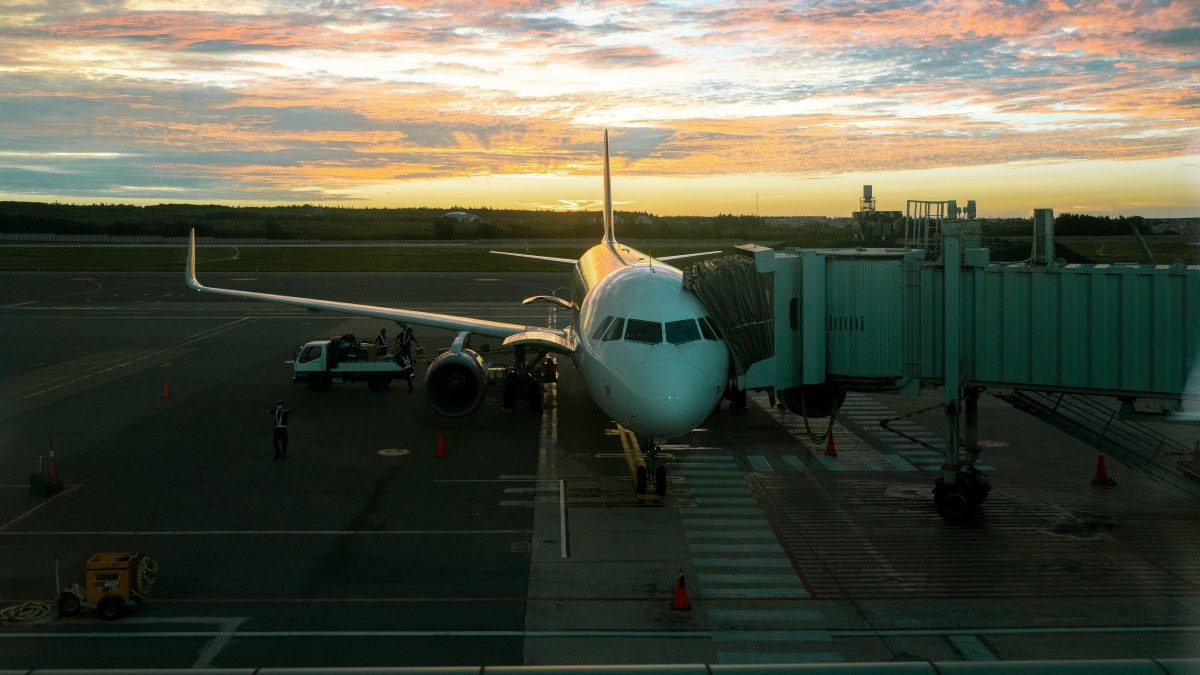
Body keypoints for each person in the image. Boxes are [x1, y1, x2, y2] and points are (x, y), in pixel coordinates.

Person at [394, 324, 422, 393]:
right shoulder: (403, 333)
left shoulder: (409, 335)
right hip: (403, 348)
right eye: (410, 332)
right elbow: (397, 338)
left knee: (406, 358)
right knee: (404, 357)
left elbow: (414, 340)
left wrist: (418, 346)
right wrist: (396, 343)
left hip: (406, 349)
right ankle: (410, 384)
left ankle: (410, 384)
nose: (410, 333)